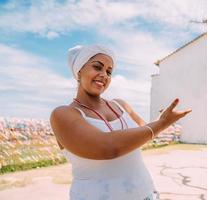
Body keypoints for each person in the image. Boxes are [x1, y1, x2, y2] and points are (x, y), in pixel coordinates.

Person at [50, 44, 192, 200]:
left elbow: (142, 132)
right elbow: (107, 148)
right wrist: (161, 124)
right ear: (79, 71)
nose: (104, 75)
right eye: (97, 67)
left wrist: (160, 120)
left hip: (145, 193)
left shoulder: (121, 105)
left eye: (109, 72)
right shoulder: (63, 114)